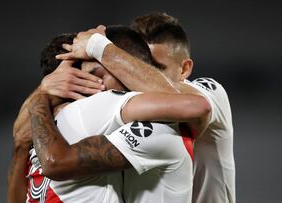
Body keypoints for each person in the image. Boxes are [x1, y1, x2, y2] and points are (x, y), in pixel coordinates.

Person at [57, 12, 235, 203]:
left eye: (154, 69)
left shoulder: (211, 92)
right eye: (134, 66)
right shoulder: (125, 109)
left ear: (184, 69)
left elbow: (189, 103)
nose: (135, 79)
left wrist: (97, 46)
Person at [9, 26, 197, 203]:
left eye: (98, 75)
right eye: (83, 78)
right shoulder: (81, 112)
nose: (93, 87)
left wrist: (40, 95)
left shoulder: (47, 119)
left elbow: (195, 106)